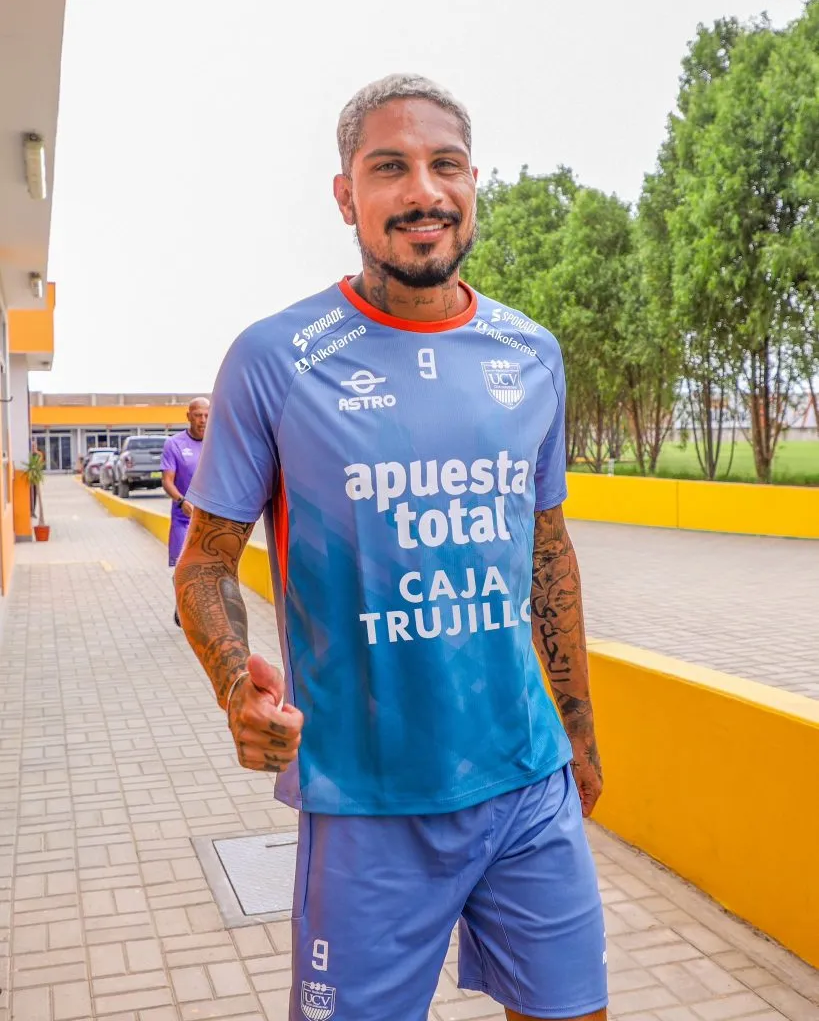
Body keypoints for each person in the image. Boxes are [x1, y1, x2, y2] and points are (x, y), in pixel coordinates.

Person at [177, 75, 607, 1021]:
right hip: (367, 804)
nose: (423, 190)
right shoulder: (275, 356)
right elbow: (204, 560)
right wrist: (230, 685)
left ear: (472, 182)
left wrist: (576, 731)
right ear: (345, 196)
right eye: (389, 168)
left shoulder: (531, 352)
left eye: (443, 164)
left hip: (528, 788)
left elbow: (548, 550)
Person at [161, 397, 209, 625]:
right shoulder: (175, 444)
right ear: (188, 416)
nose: (203, 420)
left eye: (207, 415)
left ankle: (197, 610)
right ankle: (182, 607)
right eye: (198, 415)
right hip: (183, 519)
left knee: (206, 569)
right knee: (181, 569)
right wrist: (181, 501)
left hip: (210, 520)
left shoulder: (216, 443)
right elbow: (167, 481)